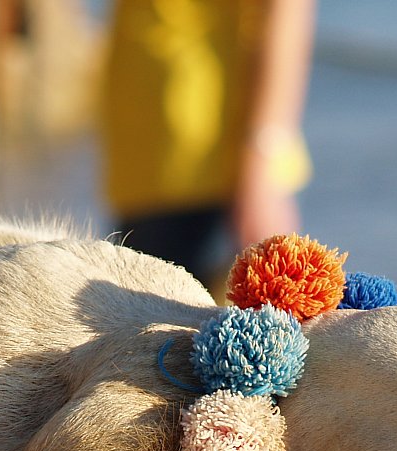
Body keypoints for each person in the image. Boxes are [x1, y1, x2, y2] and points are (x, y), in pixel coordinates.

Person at [101, 0, 317, 286]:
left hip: (213, 173)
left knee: (200, 324)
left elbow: (288, 14)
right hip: (146, 169)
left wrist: (261, 166)